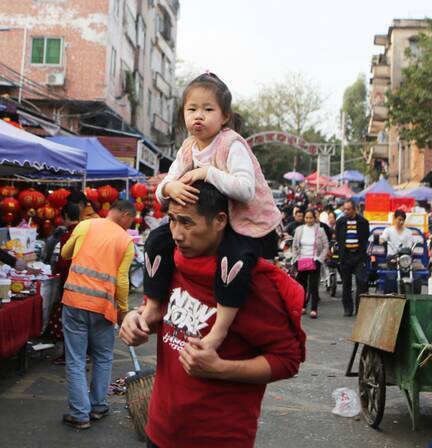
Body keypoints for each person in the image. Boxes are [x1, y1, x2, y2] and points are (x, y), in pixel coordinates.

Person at [119, 181, 305, 447]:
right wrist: (134, 321)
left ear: (220, 220)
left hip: (218, 439)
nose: (177, 234)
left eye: (187, 223)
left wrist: (220, 368)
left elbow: (288, 360)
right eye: (172, 220)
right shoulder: (170, 264)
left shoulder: (251, 284)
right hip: (160, 430)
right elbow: (156, 314)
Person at [149, 72, 281, 354]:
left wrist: (208, 172)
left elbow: (245, 189)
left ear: (224, 117)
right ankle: (152, 306)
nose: (199, 116)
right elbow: (163, 187)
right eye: (192, 109)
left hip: (249, 226)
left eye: (208, 110)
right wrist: (170, 187)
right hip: (215, 224)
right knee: (156, 240)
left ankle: (219, 330)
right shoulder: (187, 147)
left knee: (232, 260)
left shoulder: (230, 144)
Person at [60, 200, 135, 429]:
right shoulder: (127, 241)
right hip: (104, 307)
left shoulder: (85, 226)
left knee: (76, 359)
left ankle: (80, 414)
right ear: (124, 214)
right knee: (103, 357)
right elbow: (122, 281)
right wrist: (123, 309)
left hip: (75, 302)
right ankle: (99, 406)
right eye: (131, 219)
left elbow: (65, 253)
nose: (130, 224)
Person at [47, 203, 81, 364]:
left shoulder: (69, 235)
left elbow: (63, 261)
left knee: (70, 323)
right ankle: (81, 352)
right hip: (83, 283)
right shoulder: (83, 231)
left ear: (66, 216)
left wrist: (53, 271)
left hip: (69, 282)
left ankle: (70, 355)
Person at [335, 199, 369, 316]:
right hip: (346, 256)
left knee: (361, 282)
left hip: (358, 256)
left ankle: (360, 308)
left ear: (354, 209)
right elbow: (338, 239)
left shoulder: (363, 222)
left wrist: (361, 254)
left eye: (348, 209)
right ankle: (348, 308)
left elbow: (365, 239)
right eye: (345, 209)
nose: (346, 211)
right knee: (346, 284)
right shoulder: (340, 222)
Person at [292, 210, 328, 318]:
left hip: (314, 261)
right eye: (306, 218)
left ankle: (314, 309)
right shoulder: (299, 230)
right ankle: (302, 306)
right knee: (302, 286)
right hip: (301, 261)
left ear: (314, 218)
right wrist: (295, 259)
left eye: (311, 218)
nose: (308, 220)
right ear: (304, 218)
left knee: (313, 286)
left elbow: (326, 246)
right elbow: (294, 245)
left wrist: (320, 259)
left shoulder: (320, 230)